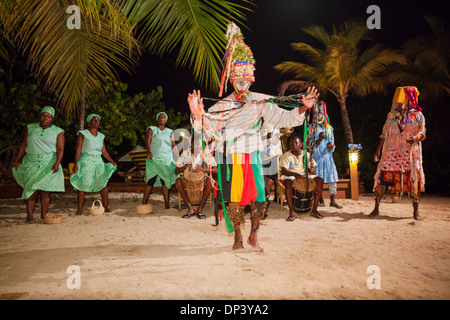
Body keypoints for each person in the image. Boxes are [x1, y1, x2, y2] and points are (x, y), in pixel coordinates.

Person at [187, 22, 319, 252]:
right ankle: (238, 238)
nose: (241, 81)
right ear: (230, 78)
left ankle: (253, 237)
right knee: (234, 200)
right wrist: (198, 115)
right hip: (230, 158)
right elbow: (209, 128)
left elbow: (284, 119)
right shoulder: (223, 105)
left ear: (252, 77)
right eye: (237, 76)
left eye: (245, 76)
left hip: (254, 156)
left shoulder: (260, 101)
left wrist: (302, 109)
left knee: (260, 198)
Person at [370, 86, 426, 220]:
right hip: (391, 152)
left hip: (410, 154)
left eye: (400, 101)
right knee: (381, 178)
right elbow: (384, 134)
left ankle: (415, 212)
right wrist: (378, 151)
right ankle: (376, 209)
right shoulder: (391, 115)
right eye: (397, 101)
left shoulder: (417, 115)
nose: (397, 103)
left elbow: (423, 132)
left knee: (413, 179)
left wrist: (415, 138)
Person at [12, 106, 65, 223]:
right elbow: (24, 145)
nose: (45, 118)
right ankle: (29, 216)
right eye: (44, 115)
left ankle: (43, 215)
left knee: (45, 191)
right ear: (40, 115)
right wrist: (17, 160)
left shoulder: (58, 131)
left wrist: (57, 163)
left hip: (48, 163)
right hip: (31, 162)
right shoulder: (31, 128)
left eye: (49, 116)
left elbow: (60, 149)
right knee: (31, 189)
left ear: (52, 118)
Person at [70, 114, 117, 215]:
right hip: (86, 161)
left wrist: (112, 161)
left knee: (103, 183)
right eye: (94, 120)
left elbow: (103, 151)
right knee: (82, 185)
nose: (96, 122)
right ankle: (79, 209)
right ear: (89, 122)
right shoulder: (83, 134)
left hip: (98, 162)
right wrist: (76, 163)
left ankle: (106, 206)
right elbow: (78, 149)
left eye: (98, 120)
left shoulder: (101, 136)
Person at [279, 134, 324, 221]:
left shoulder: (306, 154)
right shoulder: (286, 155)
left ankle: (314, 210)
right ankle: (292, 212)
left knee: (319, 180)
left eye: (296, 143)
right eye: (292, 143)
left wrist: (309, 169)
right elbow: (284, 171)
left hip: (303, 174)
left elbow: (312, 170)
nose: (293, 145)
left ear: (301, 144)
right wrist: (295, 175)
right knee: (288, 183)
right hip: (290, 175)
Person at [142, 112, 178, 209]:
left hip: (167, 159)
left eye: (164, 116)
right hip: (153, 158)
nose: (162, 117)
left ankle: (166, 204)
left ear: (166, 120)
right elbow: (148, 141)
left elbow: (173, 144)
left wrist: (177, 155)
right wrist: (149, 151)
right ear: (157, 119)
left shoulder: (170, 131)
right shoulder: (151, 129)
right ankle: (144, 203)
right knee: (150, 180)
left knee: (165, 181)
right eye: (160, 116)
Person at [175, 139, 217, 219]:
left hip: (202, 179)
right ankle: (190, 208)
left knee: (210, 181)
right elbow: (176, 171)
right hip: (187, 180)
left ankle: (199, 208)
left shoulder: (205, 154)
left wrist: (203, 169)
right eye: (196, 144)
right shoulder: (185, 154)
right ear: (191, 144)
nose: (198, 147)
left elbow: (215, 170)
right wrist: (185, 166)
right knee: (178, 181)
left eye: (200, 145)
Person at [313, 102, 342, 209]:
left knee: (332, 178)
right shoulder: (312, 128)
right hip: (317, 158)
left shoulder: (329, 128)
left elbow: (332, 142)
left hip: (328, 157)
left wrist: (331, 146)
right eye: (317, 114)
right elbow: (309, 144)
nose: (319, 116)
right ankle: (320, 199)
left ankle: (332, 200)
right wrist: (319, 139)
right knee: (317, 180)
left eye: (320, 114)